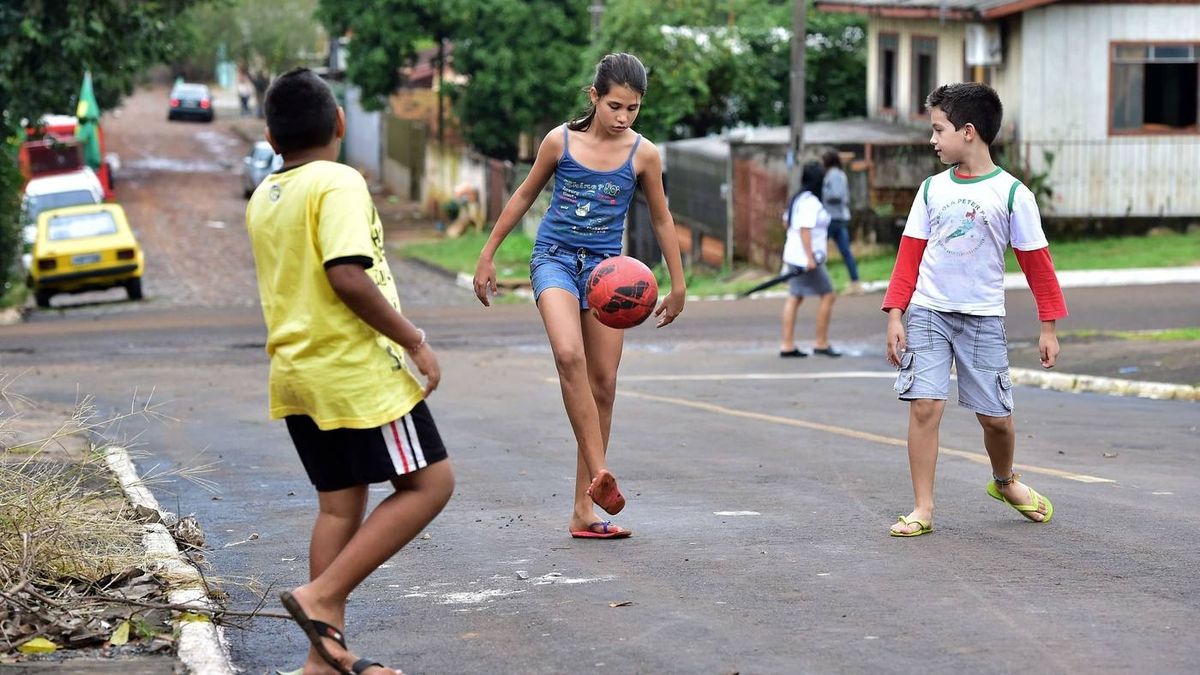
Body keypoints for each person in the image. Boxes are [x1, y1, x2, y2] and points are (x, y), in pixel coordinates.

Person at [246, 68, 453, 674]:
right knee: (430, 485)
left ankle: (321, 661)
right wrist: (414, 340)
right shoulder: (337, 181)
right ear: (339, 124)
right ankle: (323, 596)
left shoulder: (266, 194)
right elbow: (345, 273)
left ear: (270, 135)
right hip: (356, 373)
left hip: (297, 374)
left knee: (339, 508)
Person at [472, 53, 686, 540]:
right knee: (568, 355)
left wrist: (678, 284)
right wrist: (487, 254)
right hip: (554, 259)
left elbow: (661, 219)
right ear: (594, 97)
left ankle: (584, 511)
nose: (623, 117)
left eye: (632, 108)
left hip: (609, 273)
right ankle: (601, 472)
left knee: (604, 384)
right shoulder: (560, 141)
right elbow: (524, 194)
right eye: (614, 106)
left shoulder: (644, 155)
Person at [882, 82, 1067, 537]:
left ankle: (1004, 481)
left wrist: (1048, 327)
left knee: (996, 419)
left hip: (983, 318)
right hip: (928, 311)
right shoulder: (930, 190)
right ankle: (922, 509)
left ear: (968, 132)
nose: (932, 140)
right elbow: (909, 255)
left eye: (937, 130)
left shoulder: (1011, 194)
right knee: (924, 405)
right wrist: (895, 313)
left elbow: (1037, 265)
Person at [779, 161, 842, 358]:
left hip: (795, 256)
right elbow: (805, 229)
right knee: (828, 294)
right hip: (806, 260)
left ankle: (788, 344)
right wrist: (809, 257)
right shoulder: (811, 203)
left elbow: (786, 222)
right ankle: (820, 342)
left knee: (795, 297)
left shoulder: (798, 199)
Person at [821, 150, 862, 295]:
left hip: (833, 218)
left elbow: (837, 194)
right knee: (845, 251)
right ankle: (855, 282)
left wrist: (823, 193)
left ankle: (819, 283)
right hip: (839, 217)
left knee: (818, 249)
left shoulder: (833, 174)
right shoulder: (838, 174)